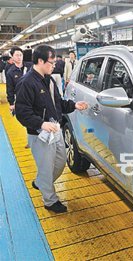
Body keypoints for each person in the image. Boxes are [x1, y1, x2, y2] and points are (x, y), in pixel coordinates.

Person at [15, 45, 88, 213]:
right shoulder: (26, 83)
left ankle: (41, 182)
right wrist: (41, 123)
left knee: (61, 162)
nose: (54, 65)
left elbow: (58, 103)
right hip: (40, 134)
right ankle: (50, 200)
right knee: (46, 168)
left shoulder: (48, 79)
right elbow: (22, 112)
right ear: (40, 61)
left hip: (55, 129)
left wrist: (74, 105)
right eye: (51, 62)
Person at [6, 46, 32, 114]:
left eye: (21, 55)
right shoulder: (10, 72)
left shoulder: (30, 67)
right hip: (21, 99)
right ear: (12, 57)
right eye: (17, 55)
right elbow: (10, 89)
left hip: (34, 96)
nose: (19, 57)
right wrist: (11, 103)